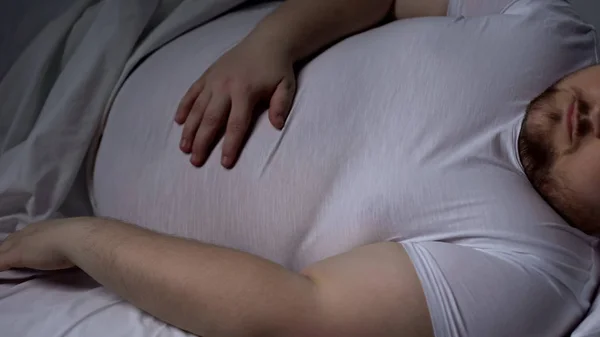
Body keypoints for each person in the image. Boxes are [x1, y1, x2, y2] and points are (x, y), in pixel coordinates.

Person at [0, 0, 599, 336]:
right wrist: (273, 42)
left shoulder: (533, 273)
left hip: (61, 200)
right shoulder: (551, 31)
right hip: (109, 54)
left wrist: (78, 240)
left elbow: (297, 314)